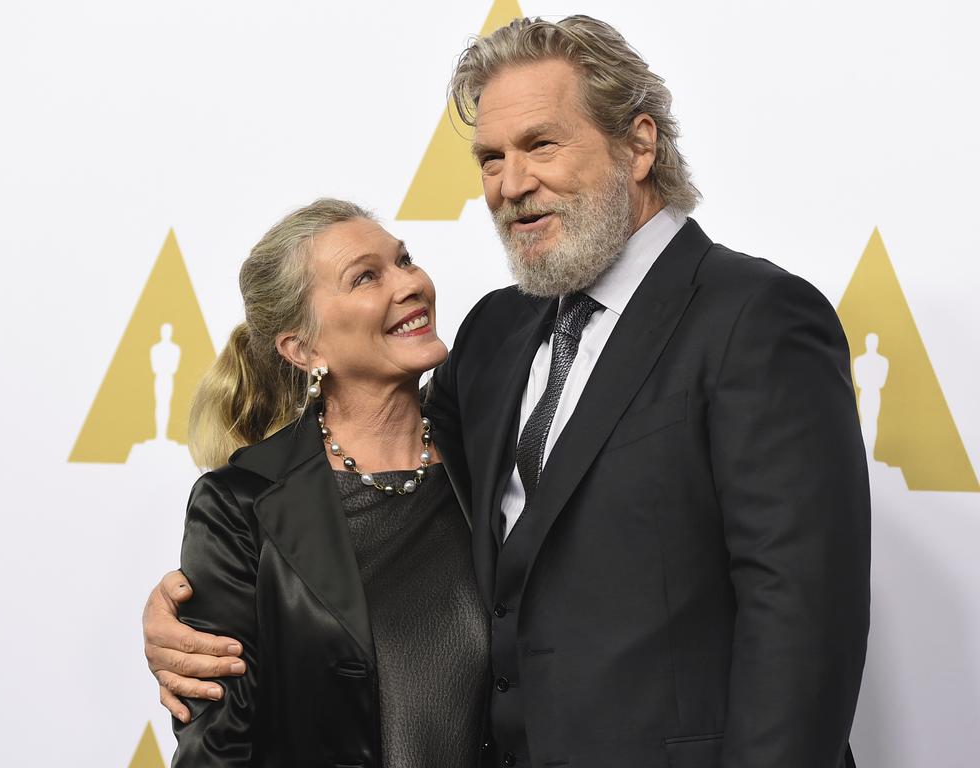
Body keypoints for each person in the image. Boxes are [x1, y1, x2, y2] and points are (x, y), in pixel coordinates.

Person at [144, 16, 870, 768]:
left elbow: (806, 625)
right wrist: (200, 616)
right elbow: (384, 481)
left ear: (640, 144)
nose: (511, 185)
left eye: (541, 145)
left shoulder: (757, 318)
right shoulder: (496, 332)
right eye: (491, 157)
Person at [164, 198, 489, 767]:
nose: (409, 284)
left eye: (405, 260)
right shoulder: (240, 506)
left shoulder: (488, 460)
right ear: (302, 347)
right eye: (366, 276)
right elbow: (215, 749)